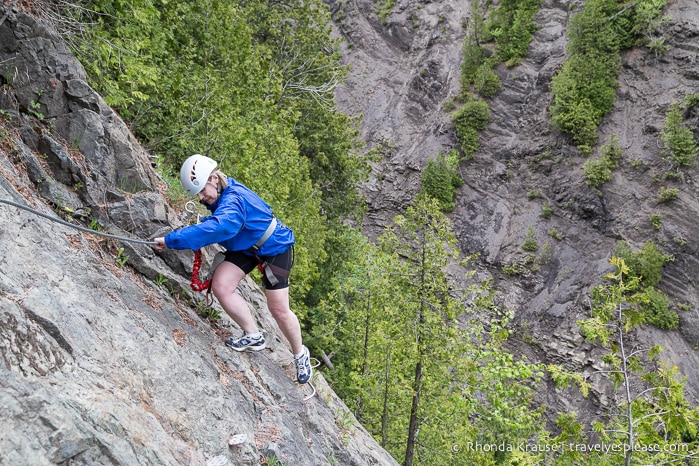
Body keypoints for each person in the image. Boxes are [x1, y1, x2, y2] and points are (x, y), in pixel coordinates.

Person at [152, 154, 312, 384]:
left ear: (214, 178)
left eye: (202, 190)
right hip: (246, 245)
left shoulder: (233, 201)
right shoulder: (223, 192)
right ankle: (253, 335)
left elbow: (218, 228)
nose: (200, 197)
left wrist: (171, 240)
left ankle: (299, 353)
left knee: (278, 309)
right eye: (196, 194)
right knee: (221, 286)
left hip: (274, 247)